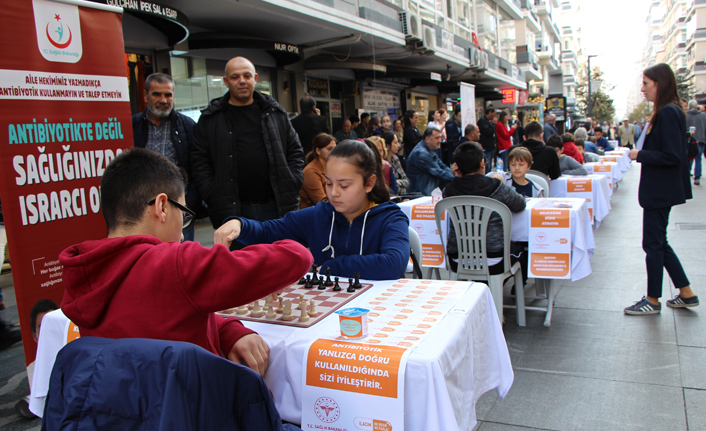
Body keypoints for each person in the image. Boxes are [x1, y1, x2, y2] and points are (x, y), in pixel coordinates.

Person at [60, 148, 312, 375]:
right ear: (161, 206)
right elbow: (297, 257)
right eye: (183, 213)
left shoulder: (86, 269)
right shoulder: (175, 264)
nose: (182, 231)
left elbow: (163, 313)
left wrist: (227, 330)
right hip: (192, 411)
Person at [213, 140, 410, 280]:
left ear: (369, 183)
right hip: (329, 306)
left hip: (380, 309)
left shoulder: (390, 218)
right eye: (329, 183)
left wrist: (330, 266)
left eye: (344, 185)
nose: (333, 193)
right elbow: (267, 232)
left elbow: (393, 264)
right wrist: (240, 224)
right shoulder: (319, 215)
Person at [190, 57, 305, 238]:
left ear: (255, 78)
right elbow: (199, 160)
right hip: (233, 211)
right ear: (226, 81)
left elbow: (295, 150)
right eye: (235, 77)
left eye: (247, 75)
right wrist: (212, 193)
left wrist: (292, 180)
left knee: (279, 263)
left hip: (276, 207)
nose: (242, 81)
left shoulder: (274, 112)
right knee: (241, 264)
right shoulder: (210, 118)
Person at [624, 63, 698, 315]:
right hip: (661, 190)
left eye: (646, 83)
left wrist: (640, 154)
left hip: (659, 191)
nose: (642, 89)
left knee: (653, 245)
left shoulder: (667, 112)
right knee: (658, 243)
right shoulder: (671, 111)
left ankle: (653, 299)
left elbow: (672, 155)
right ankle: (686, 293)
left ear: (660, 83)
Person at [132, 73, 200, 241]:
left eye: (168, 94)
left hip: (177, 209)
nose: (163, 100)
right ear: (145, 95)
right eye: (157, 94)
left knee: (181, 260)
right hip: (142, 211)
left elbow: (198, 168)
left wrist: (188, 205)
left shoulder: (187, 126)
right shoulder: (132, 126)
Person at [444, 142, 526, 275]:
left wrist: (457, 178)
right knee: (521, 249)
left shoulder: (448, 191)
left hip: (458, 258)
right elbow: (520, 204)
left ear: (457, 167)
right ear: (483, 163)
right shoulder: (497, 187)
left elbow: (466, 186)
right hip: (494, 259)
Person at [406, 126, 454, 195]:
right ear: (427, 139)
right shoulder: (421, 153)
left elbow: (442, 166)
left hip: (426, 194)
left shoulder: (429, 150)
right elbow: (438, 172)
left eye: (440, 137)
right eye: (437, 138)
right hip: (419, 196)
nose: (440, 140)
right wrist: (458, 179)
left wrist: (454, 174)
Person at [300, 133, 336, 208]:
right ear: (318, 151)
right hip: (313, 216)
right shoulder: (310, 171)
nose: (334, 152)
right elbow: (322, 202)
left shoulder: (332, 167)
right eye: (329, 149)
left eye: (335, 149)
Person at [686, 100, 706, 185]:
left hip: (689, 139)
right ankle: (697, 177)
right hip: (700, 139)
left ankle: (687, 173)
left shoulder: (685, 114)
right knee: (698, 158)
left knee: (689, 157)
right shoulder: (703, 115)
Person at [477, 107, 497, 173]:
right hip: (486, 146)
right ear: (490, 113)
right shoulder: (483, 121)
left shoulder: (487, 121)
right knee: (487, 165)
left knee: (489, 165)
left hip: (490, 146)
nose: (494, 116)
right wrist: (493, 124)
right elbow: (488, 132)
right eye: (494, 114)